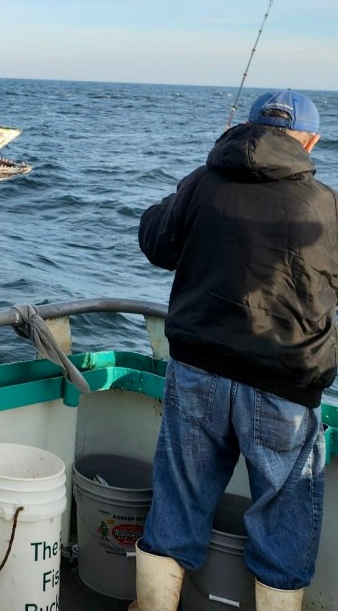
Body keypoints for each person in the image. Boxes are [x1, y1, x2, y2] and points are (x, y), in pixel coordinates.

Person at [132, 89, 338, 611]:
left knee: (179, 497)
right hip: (285, 383)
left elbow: (156, 242)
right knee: (285, 512)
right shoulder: (326, 205)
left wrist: (188, 189)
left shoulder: (204, 183)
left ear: (246, 130)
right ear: (310, 141)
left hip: (198, 369)